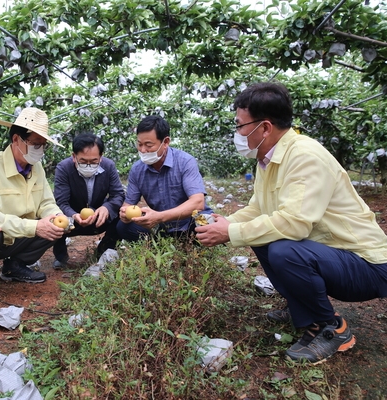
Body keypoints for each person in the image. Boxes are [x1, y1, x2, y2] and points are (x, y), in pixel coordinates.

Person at [195, 82, 387, 364]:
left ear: (264, 127)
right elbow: (259, 209)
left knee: (284, 249)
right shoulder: (268, 159)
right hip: (330, 254)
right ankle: (302, 308)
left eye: (239, 125)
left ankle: (332, 328)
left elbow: (295, 224)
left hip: (366, 264)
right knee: (262, 237)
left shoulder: (305, 157)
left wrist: (231, 232)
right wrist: (226, 222)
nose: (237, 133)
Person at [0, 108, 66, 300]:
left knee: (54, 226)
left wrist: (56, 216)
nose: (40, 150)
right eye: (35, 144)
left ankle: (14, 266)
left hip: (18, 236)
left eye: (43, 145)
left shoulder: (37, 168)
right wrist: (35, 226)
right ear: (16, 139)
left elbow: (46, 202)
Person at [117, 115, 212, 241]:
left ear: (166, 142)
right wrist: (124, 214)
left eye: (149, 145)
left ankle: (191, 246)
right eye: (139, 144)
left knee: (208, 224)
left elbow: (198, 202)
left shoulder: (185, 162)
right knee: (123, 226)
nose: (143, 150)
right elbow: (128, 204)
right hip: (161, 226)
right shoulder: (137, 169)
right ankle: (157, 244)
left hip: (190, 221)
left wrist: (159, 217)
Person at [53, 132, 125, 268]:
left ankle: (105, 248)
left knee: (122, 213)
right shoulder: (64, 168)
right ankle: (61, 255)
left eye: (93, 161)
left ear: (101, 157)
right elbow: (61, 201)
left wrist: (106, 208)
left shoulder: (109, 166)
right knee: (53, 216)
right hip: (72, 220)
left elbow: (118, 195)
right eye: (83, 161)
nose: (88, 165)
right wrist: (73, 215)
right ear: (74, 156)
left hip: (99, 218)